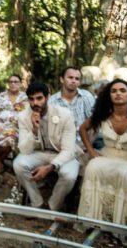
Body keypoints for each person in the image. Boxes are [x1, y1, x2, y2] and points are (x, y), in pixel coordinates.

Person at [13, 82, 81, 211]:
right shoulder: (23, 116)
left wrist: (50, 167)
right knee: (19, 164)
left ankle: (52, 206)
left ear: (47, 97)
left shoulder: (65, 114)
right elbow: (24, 149)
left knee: (69, 175)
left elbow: (68, 149)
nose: (35, 103)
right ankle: (37, 203)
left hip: (63, 154)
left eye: (39, 98)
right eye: (31, 99)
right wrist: (34, 130)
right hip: (40, 153)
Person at [78, 79, 127, 225]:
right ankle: (93, 220)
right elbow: (82, 129)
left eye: (122, 90)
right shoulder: (102, 114)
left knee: (126, 174)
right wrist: (91, 151)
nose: (118, 94)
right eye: (113, 91)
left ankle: (122, 224)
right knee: (93, 167)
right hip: (106, 155)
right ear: (109, 96)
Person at [0, 74, 27, 175]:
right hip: (0, 124)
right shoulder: (1, 96)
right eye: (11, 82)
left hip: (16, 127)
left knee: (10, 140)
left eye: (16, 82)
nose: (13, 84)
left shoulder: (24, 97)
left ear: (20, 84)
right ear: (8, 84)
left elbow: (28, 113)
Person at [49, 66, 95, 147]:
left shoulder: (86, 96)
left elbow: (95, 123)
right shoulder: (52, 101)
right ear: (62, 79)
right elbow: (51, 129)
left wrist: (87, 146)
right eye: (70, 77)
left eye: (77, 79)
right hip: (61, 145)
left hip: (85, 143)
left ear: (80, 82)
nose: (73, 81)